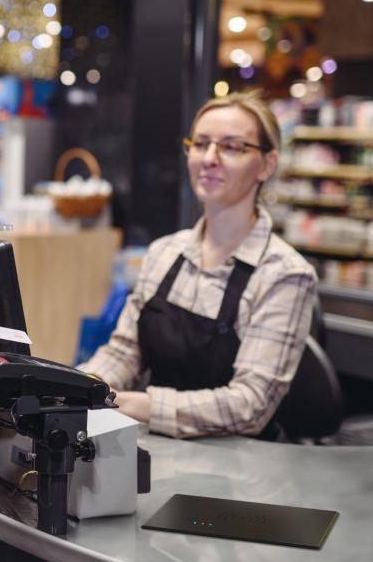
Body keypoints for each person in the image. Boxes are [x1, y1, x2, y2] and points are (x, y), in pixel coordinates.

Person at [81, 91, 317, 439]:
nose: (209, 158)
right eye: (200, 143)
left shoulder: (284, 273)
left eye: (232, 147)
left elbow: (249, 407)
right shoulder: (164, 253)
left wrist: (133, 404)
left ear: (267, 164)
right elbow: (125, 351)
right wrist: (81, 385)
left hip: (242, 471)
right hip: (159, 451)